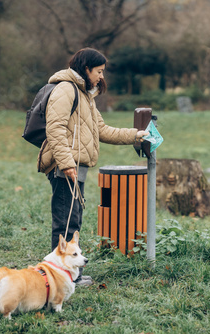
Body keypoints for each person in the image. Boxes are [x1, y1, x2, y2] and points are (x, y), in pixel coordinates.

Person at [38, 48, 148, 286]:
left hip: (75, 167)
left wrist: (136, 135)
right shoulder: (66, 90)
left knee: (72, 219)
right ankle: (62, 278)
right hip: (64, 166)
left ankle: (66, 274)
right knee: (67, 221)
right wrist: (67, 164)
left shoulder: (85, 95)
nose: (101, 77)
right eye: (98, 71)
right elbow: (54, 129)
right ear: (86, 68)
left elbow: (102, 130)